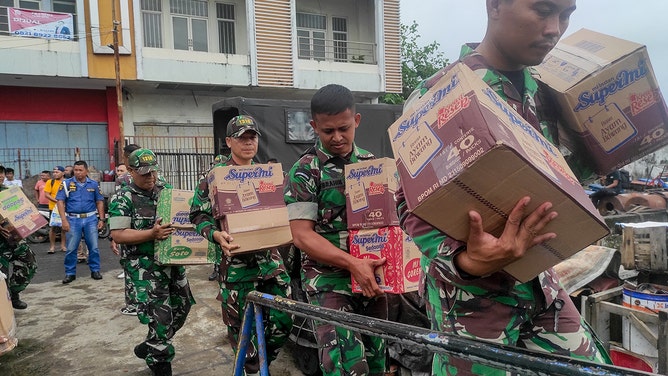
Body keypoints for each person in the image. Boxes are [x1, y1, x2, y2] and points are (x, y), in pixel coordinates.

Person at [396, 1, 611, 374]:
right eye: (542, 10)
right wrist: (467, 260)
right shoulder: (444, 93)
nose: (554, 28)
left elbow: (562, 178)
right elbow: (408, 202)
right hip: (471, 301)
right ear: (495, 5)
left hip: (539, 283)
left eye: (566, 15)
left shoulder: (546, 95)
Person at [283, 84, 388, 376]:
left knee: (377, 357)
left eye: (344, 128)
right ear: (314, 126)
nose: (337, 137)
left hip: (372, 276)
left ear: (356, 120)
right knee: (346, 365)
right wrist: (353, 264)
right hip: (328, 280)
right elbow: (302, 235)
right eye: (328, 131)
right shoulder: (305, 171)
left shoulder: (372, 165)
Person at [190, 115, 292, 376]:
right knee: (242, 332)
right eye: (241, 137)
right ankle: (251, 368)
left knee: (285, 318)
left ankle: (262, 362)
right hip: (236, 266)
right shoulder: (215, 177)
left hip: (270, 262)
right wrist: (214, 235)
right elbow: (197, 215)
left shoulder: (265, 175)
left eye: (252, 137)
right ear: (228, 142)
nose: (248, 143)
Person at [109, 148, 194, 376]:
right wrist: (151, 234)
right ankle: (160, 362)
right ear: (131, 171)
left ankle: (151, 344)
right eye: (145, 174)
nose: (151, 178)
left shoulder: (164, 191)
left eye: (153, 172)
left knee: (183, 306)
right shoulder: (122, 197)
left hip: (172, 262)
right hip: (143, 267)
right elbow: (118, 234)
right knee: (161, 317)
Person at [56, 160, 105, 284]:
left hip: (90, 219)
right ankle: (70, 273)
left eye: (80, 170)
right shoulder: (66, 184)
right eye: (75, 170)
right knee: (71, 248)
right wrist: (64, 220)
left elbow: (99, 201)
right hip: (73, 219)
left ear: (86, 171)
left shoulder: (93, 184)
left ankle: (95, 270)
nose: (77, 172)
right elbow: (60, 201)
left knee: (93, 247)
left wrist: (101, 218)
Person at [0, 166, 37, 309]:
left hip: (14, 239)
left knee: (30, 264)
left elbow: (22, 211)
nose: (1, 176)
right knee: (1, 276)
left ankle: (13, 294)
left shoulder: (8, 193)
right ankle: (5, 307)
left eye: (1, 173)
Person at [45, 166, 66, 253]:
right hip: (53, 208)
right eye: (54, 172)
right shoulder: (50, 182)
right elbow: (47, 194)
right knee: (53, 227)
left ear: (63, 173)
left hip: (65, 208)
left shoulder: (67, 182)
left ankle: (63, 246)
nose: (55, 174)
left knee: (64, 228)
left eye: (57, 172)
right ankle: (52, 247)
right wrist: (58, 201)